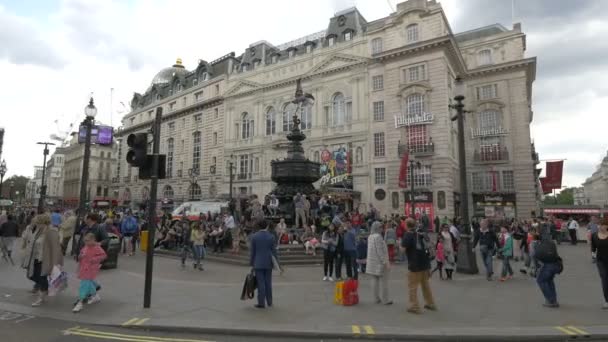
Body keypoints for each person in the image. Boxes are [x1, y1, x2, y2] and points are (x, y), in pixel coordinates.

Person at [21, 214, 63, 307]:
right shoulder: (38, 230)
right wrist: (29, 228)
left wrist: (55, 263)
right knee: (32, 276)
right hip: (35, 258)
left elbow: (56, 248)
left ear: (44, 223)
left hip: (45, 260)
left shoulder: (51, 231)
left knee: (42, 278)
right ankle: (46, 289)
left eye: (38, 223)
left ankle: (41, 297)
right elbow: (29, 240)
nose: (37, 224)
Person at [401, 218, 436, 314]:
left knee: (412, 286)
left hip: (414, 264)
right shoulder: (419, 233)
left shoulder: (408, 235)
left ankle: (414, 306)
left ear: (406, 225)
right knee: (425, 285)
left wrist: (399, 245)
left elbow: (403, 250)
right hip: (425, 263)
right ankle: (430, 303)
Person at [73, 233, 107, 313]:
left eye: (88, 241)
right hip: (84, 267)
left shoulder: (97, 247)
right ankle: (95, 295)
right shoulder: (86, 246)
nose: (86, 242)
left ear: (93, 240)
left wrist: (94, 259)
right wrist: (80, 256)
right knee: (88, 282)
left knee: (84, 285)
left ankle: (80, 302)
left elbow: (104, 256)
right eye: (85, 241)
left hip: (91, 268)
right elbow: (81, 253)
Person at [249, 221, 278, 309]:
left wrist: (251, 263)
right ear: (267, 226)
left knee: (261, 283)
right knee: (268, 282)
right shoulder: (271, 236)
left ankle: (261, 302)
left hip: (258, 262)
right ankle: (270, 302)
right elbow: (274, 251)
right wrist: (276, 263)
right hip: (268, 262)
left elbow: (252, 252)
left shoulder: (254, 237)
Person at [366, 221, 392, 305]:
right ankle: (385, 300)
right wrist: (385, 262)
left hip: (372, 262)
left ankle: (376, 298)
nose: (382, 229)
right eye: (380, 227)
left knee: (374, 280)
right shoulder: (378, 237)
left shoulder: (370, 236)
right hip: (379, 262)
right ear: (377, 228)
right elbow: (379, 251)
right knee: (384, 281)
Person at [535, 231, 562, 308]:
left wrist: (536, 267)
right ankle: (554, 299)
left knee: (541, 280)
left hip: (547, 265)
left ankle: (551, 300)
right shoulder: (552, 243)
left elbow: (536, 255)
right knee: (549, 280)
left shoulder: (539, 244)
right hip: (556, 264)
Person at [591, 217, 608, 309]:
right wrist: (593, 255)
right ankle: (607, 301)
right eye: (600, 225)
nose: (601, 227)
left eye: (603, 225)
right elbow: (593, 248)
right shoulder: (594, 235)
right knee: (604, 279)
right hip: (600, 261)